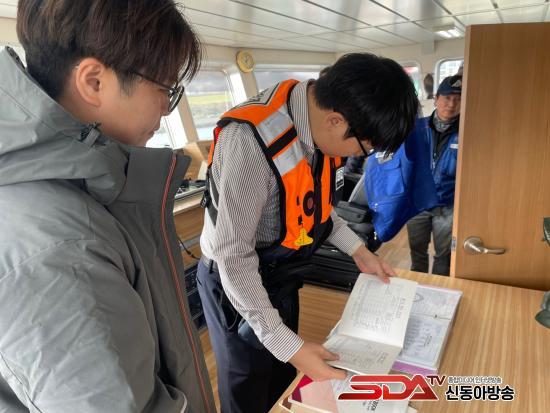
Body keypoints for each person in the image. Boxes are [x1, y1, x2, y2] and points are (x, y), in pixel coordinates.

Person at [0, 1, 216, 412]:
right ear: (94, 82)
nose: (166, 107)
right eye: (165, 89)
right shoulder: (61, 248)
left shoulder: (73, 193)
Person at [197, 53, 419, 413]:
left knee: (283, 377)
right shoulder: (250, 142)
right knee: (248, 386)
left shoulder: (317, 121)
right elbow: (233, 255)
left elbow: (315, 208)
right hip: (233, 277)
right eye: (365, 148)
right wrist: (288, 345)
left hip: (281, 270)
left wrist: (359, 251)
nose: (360, 156)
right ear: (336, 121)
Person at [406, 75, 462, 276]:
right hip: (417, 204)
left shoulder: (467, 132)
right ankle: (416, 287)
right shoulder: (416, 129)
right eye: (447, 97)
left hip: (448, 205)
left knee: (443, 256)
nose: (451, 104)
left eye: (457, 99)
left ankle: (439, 290)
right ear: (436, 99)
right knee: (417, 252)